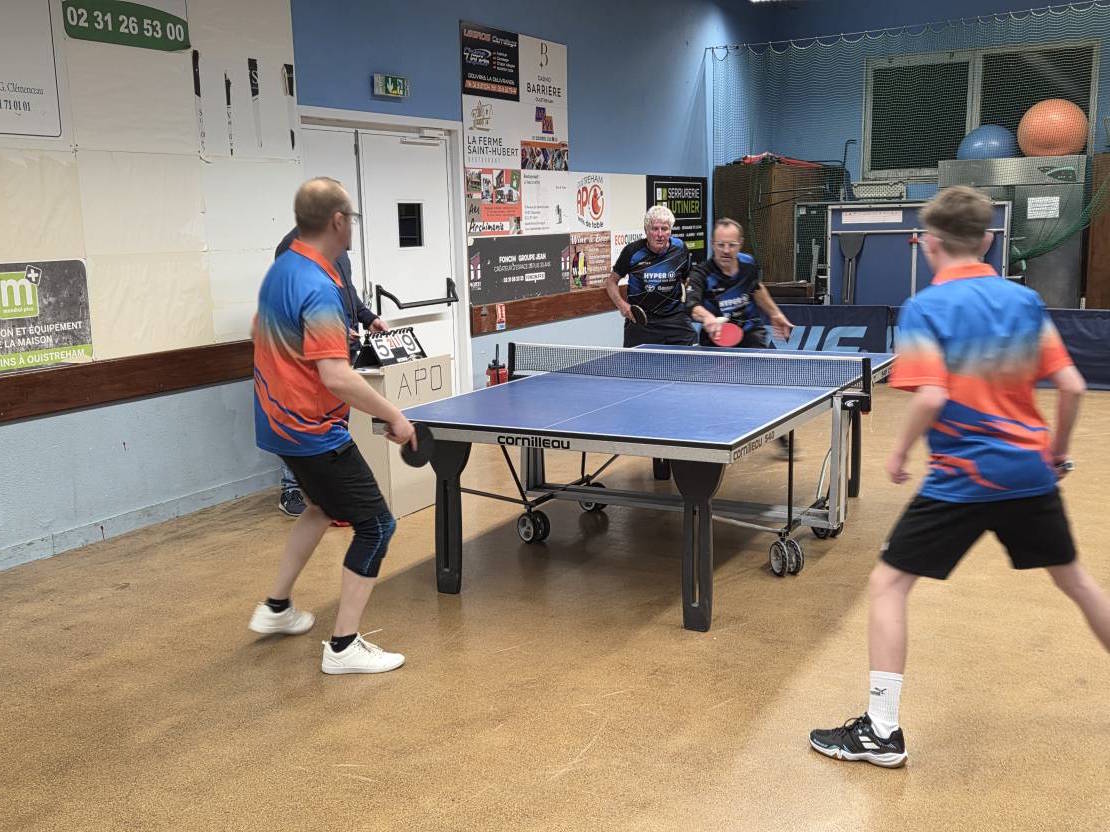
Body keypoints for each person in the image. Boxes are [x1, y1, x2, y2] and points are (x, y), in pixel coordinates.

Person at [808, 185, 1110, 767]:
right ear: (989, 240)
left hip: (962, 479)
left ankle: (881, 730)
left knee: (889, 586)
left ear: (929, 244)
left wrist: (898, 454)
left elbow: (931, 397)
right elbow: (1072, 387)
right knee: (1076, 582)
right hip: (1028, 474)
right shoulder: (1025, 302)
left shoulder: (926, 308)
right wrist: (1056, 454)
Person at [248, 177, 416, 675]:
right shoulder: (318, 286)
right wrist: (394, 415)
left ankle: (277, 607)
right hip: (311, 430)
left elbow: (271, 341)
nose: (353, 227)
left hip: (276, 423)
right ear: (339, 221)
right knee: (377, 526)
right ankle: (343, 647)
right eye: (353, 218)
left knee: (321, 508)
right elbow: (336, 376)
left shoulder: (283, 270)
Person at [273, 225, 389, 518]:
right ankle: (292, 489)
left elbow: (347, 293)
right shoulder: (292, 248)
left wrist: (368, 317)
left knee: (334, 420)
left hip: (340, 350)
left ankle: (328, 485)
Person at [686, 218, 794, 457]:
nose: (726, 250)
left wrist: (775, 313)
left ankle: (781, 437)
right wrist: (708, 319)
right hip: (716, 339)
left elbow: (756, 288)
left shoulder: (748, 264)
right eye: (720, 245)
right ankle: (715, 439)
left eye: (731, 245)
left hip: (749, 332)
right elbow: (691, 305)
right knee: (715, 395)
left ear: (740, 244)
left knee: (765, 387)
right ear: (713, 244)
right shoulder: (701, 273)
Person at [605, 205, 695, 348]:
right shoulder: (632, 251)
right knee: (638, 362)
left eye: (664, 229)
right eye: (655, 229)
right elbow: (611, 282)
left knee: (689, 360)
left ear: (670, 231)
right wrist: (622, 305)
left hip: (675, 321)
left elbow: (686, 278)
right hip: (642, 322)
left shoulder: (680, 248)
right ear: (646, 230)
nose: (660, 234)